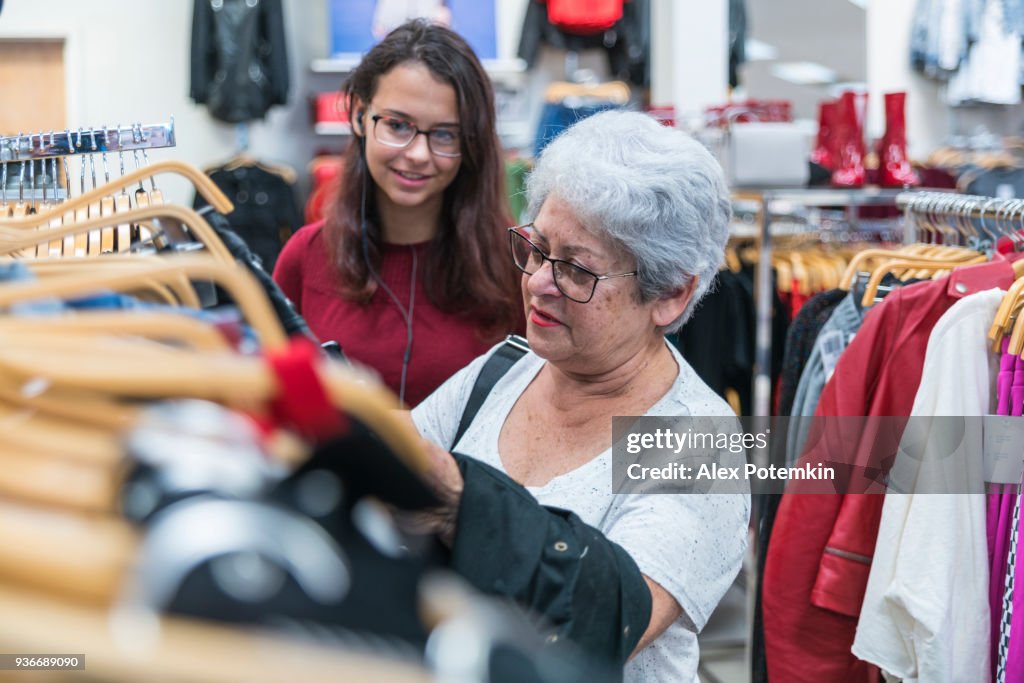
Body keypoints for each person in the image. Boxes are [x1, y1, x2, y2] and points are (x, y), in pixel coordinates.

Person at [411, 110, 750, 682]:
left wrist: (458, 504)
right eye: (538, 248)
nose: (540, 280)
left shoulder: (695, 443)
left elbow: (604, 621)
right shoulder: (501, 372)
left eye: (575, 269)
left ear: (669, 294)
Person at [273, 19, 522, 407]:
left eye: (445, 134)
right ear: (359, 114)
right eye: (397, 125)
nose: (418, 154)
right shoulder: (305, 256)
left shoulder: (516, 267)